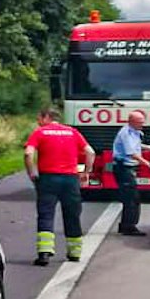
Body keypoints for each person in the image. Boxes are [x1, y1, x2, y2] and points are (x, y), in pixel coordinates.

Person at [24, 107, 94, 266]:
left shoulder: (40, 132)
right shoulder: (72, 132)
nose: (38, 121)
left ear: (46, 117)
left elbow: (28, 153)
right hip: (70, 179)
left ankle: (44, 254)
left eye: (39, 118)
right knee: (72, 215)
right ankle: (74, 253)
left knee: (46, 214)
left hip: (48, 178)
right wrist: (86, 173)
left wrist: (32, 173)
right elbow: (90, 152)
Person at [110, 111, 147, 236]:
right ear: (131, 121)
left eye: (142, 121)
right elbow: (130, 152)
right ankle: (129, 227)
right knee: (131, 198)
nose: (142, 124)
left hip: (127, 168)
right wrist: (146, 163)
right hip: (123, 168)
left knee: (131, 197)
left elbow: (134, 145)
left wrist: (146, 148)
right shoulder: (126, 133)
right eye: (139, 122)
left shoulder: (134, 132)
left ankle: (125, 225)